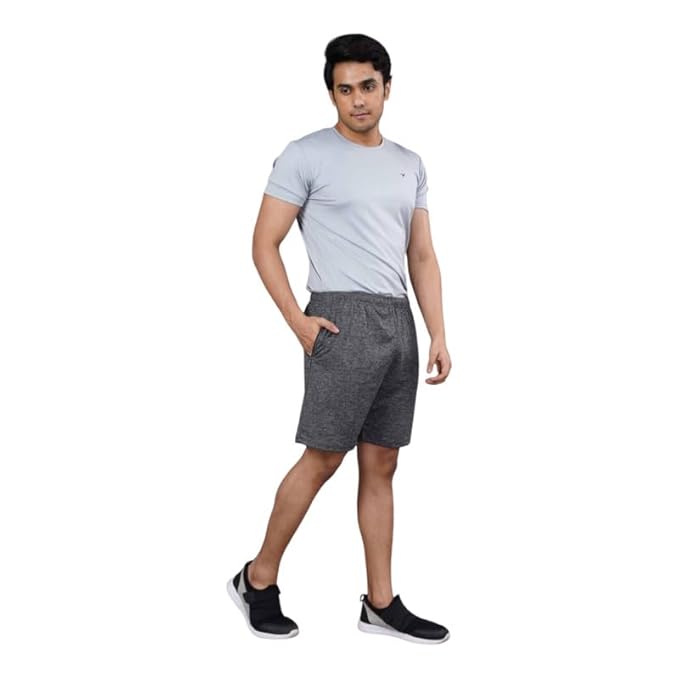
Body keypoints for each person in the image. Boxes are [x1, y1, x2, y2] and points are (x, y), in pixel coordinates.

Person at [227, 33, 452, 644]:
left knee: (382, 462)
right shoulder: (306, 155)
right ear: (332, 93)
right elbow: (263, 243)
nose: (357, 100)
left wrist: (436, 330)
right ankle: (258, 578)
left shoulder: (409, 162)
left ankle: (380, 602)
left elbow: (421, 254)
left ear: (387, 87)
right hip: (339, 319)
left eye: (368, 87)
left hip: (397, 320)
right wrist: (298, 322)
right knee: (324, 456)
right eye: (345, 89)